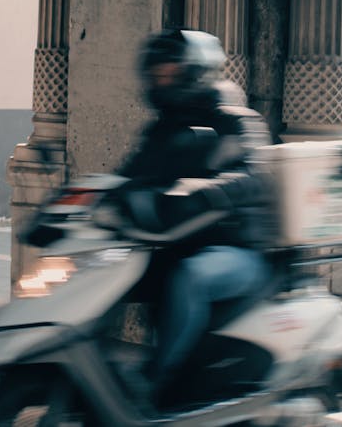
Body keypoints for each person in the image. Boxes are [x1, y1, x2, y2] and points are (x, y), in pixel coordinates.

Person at [109, 28, 276, 408]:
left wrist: (206, 191)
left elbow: (255, 176)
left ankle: (157, 383)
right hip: (179, 245)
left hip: (241, 253)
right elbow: (129, 176)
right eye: (155, 73)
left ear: (193, 72)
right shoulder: (161, 129)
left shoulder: (235, 121)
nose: (159, 80)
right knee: (113, 272)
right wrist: (83, 199)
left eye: (168, 72)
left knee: (191, 278)